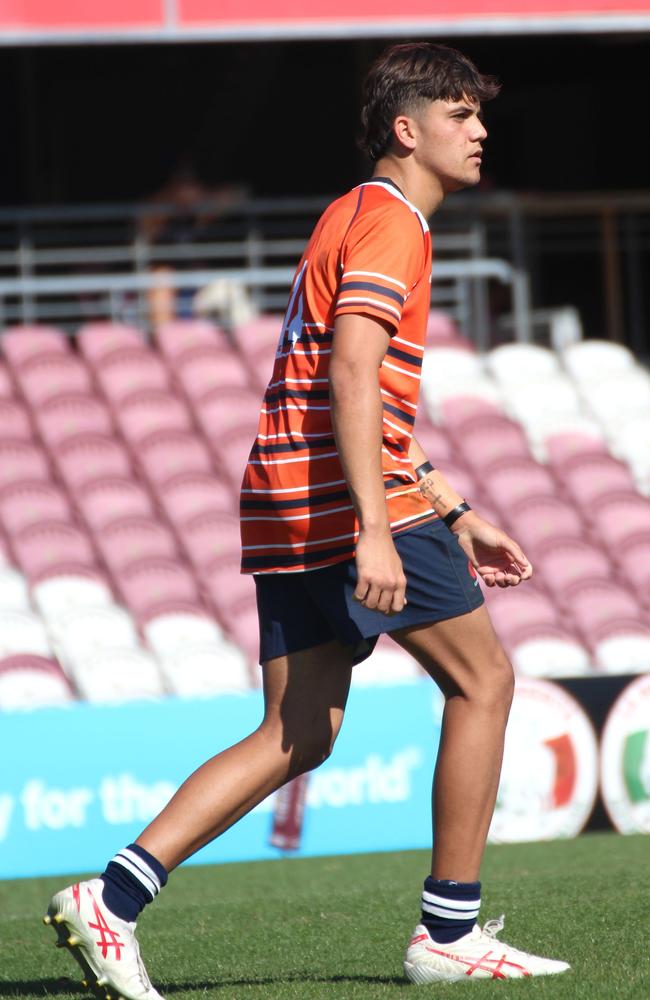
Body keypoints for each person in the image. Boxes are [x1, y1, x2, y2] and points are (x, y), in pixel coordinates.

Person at [44, 42, 570, 997]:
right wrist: (378, 526)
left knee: (299, 731)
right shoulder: (392, 225)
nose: (482, 130)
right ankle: (447, 931)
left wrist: (454, 509)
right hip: (344, 500)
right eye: (462, 114)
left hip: (288, 497)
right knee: (485, 681)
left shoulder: (352, 215)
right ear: (407, 131)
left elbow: (352, 387)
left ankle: (110, 900)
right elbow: (351, 375)